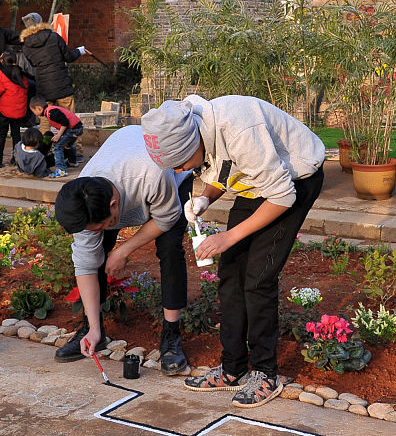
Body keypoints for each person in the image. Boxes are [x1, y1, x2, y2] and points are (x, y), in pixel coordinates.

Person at [141, 95, 325, 409]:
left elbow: (282, 196)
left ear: (192, 144)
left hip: (292, 182)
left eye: (182, 163)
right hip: (256, 182)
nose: (183, 170)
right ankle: (232, 369)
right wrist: (205, 199)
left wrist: (228, 237)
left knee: (258, 277)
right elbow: (223, 169)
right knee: (230, 273)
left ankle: (266, 374)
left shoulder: (239, 127)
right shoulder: (196, 125)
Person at [52, 125, 194, 375]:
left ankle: (171, 337)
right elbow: (85, 265)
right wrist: (94, 328)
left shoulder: (152, 175)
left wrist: (123, 250)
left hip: (168, 173)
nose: (94, 231)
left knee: (170, 249)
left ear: (114, 205)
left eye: (102, 226)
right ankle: (93, 330)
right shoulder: (83, 200)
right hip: (124, 155)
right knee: (95, 254)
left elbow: (166, 218)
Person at [18, 12, 87, 129]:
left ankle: (43, 147)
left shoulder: (26, 46)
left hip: (44, 88)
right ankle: (74, 147)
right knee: (70, 120)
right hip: (62, 86)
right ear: (40, 22)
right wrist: (79, 51)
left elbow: (33, 64)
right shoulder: (54, 37)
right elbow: (69, 57)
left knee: (45, 121)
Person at [0, 51, 31, 165]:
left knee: (2, 135)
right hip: (18, 111)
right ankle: (16, 158)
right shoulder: (21, 73)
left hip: (4, 111)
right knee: (16, 135)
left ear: (2, 61)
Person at [31, 96, 83, 178]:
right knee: (69, 144)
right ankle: (73, 161)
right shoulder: (51, 111)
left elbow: (65, 122)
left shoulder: (51, 113)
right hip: (76, 128)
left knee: (58, 146)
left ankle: (61, 170)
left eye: (33, 111)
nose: (34, 114)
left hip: (73, 129)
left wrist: (58, 135)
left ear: (38, 108)